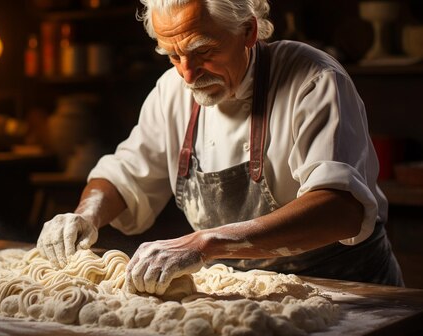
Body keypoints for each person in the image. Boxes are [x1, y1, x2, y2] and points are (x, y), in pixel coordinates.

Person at [36, 0, 405, 295]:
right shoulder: (171, 91)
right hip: (246, 295)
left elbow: (339, 209)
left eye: (203, 51)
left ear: (248, 31)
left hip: (347, 292)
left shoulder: (313, 79)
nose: (188, 74)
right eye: (172, 56)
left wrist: (206, 242)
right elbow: (125, 172)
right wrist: (85, 215)